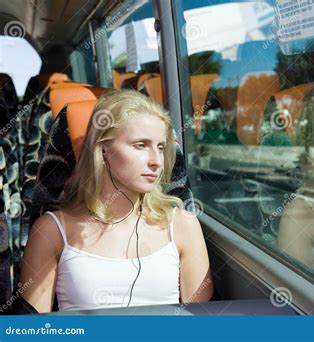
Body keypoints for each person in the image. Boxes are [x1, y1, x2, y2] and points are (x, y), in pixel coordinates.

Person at [18, 90, 213, 312]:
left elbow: (200, 324)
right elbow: (33, 330)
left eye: (160, 147)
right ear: (102, 150)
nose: (157, 161)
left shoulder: (182, 225)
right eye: (140, 145)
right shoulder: (51, 230)